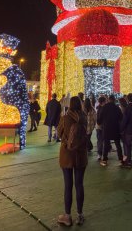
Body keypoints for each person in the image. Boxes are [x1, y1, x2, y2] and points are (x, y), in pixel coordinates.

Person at [57, 96, 87, 226]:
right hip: (81, 154)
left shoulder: (65, 118)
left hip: (67, 155)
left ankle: (67, 216)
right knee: (79, 184)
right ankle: (80, 215)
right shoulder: (84, 118)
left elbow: (58, 134)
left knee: (68, 185)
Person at [97, 94, 123, 167]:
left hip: (106, 129)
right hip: (115, 129)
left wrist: (101, 123)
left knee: (106, 144)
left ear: (108, 99)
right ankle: (121, 159)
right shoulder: (117, 108)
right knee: (118, 145)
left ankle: (104, 160)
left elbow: (99, 120)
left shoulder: (104, 107)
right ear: (114, 100)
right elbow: (121, 118)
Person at [96, 96, 106, 161]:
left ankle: (100, 154)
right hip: (102, 126)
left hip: (98, 127)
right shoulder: (103, 108)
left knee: (100, 140)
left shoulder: (98, 108)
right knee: (102, 141)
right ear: (103, 102)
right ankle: (101, 154)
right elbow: (99, 119)